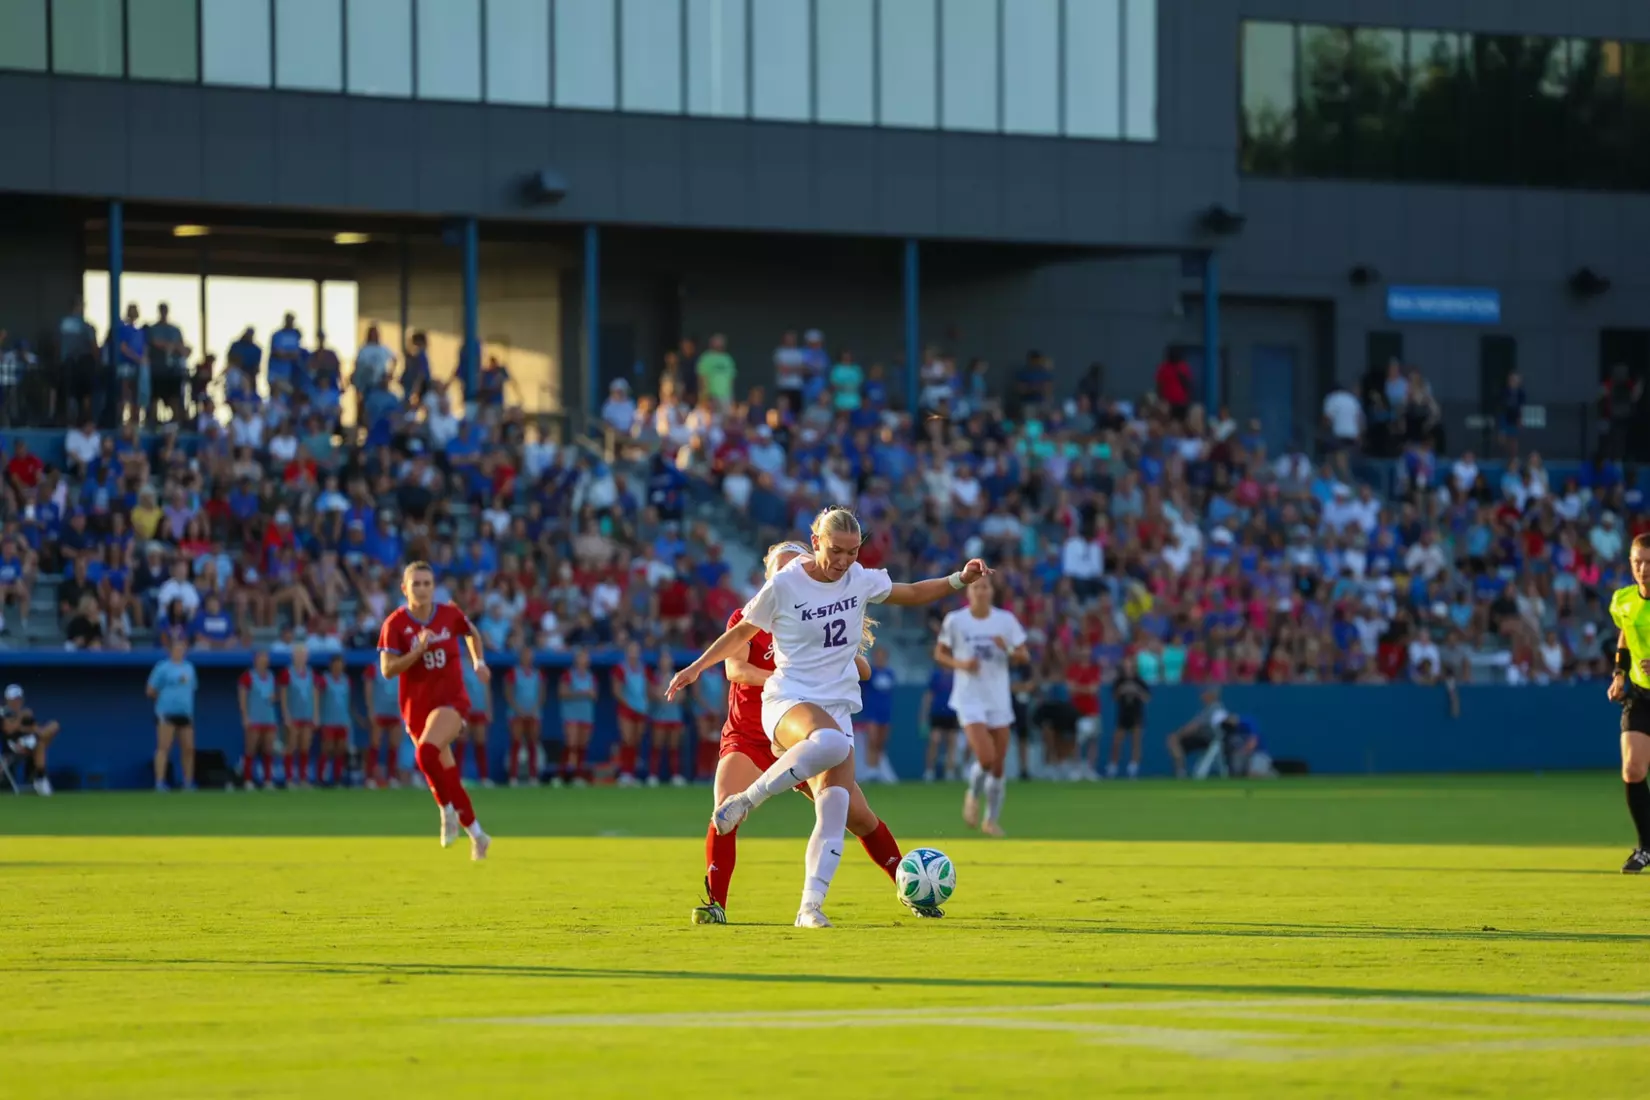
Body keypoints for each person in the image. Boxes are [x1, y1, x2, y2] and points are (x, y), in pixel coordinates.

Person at [667, 508, 991, 927]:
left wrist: (957, 580)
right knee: (816, 753)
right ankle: (720, 890)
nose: (843, 560)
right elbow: (737, 652)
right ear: (815, 543)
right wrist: (695, 667)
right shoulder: (782, 589)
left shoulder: (856, 579)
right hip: (781, 711)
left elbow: (909, 593)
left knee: (842, 811)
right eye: (836, 550)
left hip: (835, 710)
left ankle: (812, 908)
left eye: (852, 552)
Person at [690, 541, 916, 926]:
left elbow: (862, 668)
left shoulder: (810, 617)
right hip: (751, 735)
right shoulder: (749, 617)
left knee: (858, 816)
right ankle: (716, 904)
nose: (789, 573)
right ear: (768, 577)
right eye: (780, 568)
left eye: (795, 566)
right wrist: (788, 677)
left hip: (803, 735)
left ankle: (912, 887)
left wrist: (842, 659)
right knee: (725, 808)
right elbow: (736, 670)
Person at [378, 561, 492, 858]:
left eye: (427, 583)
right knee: (447, 776)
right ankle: (478, 835)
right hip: (417, 708)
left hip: (452, 701)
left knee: (425, 754)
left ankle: (446, 811)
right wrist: (416, 652)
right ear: (404, 589)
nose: (423, 589)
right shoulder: (395, 624)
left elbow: (472, 633)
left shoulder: (448, 614)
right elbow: (387, 669)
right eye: (416, 583)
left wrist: (478, 662)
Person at [934, 579, 1030, 836]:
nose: (981, 591)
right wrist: (961, 665)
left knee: (998, 766)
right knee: (986, 758)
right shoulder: (955, 620)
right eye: (976, 587)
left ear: (992, 591)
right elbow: (940, 653)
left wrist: (1007, 648)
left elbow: (1024, 656)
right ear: (969, 592)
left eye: (986, 586)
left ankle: (990, 820)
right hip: (969, 698)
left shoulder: (1005, 620)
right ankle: (972, 794)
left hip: (998, 698)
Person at [1610, 532, 1650, 873]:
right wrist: (1619, 673)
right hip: (1640, 693)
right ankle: (1645, 848)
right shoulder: (1623, 600)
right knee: (1632, 769)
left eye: (1649, 562)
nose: (1643, 568)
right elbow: (1625, 633)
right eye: (1638, 562)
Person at [146, 637, 198, 792]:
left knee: (188, 748)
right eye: (176, 648)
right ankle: (160, 782)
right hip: (166, 714)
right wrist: (164, 701)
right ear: (170, 650)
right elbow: (150, 690)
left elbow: (192, 689)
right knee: (164, 748)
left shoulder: (190, 668)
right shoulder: (162, 667)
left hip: (185, 714)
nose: (179, 651)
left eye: (182, 648)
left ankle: (188, 782)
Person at [2, 684, 58, 796]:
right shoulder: (3, 712)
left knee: (53, 726)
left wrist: (28, 728)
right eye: (13, 699)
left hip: (28, 743)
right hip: (13, 747)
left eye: (18, 699)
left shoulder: (26, 714)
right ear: (7, 700)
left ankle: (40, 779)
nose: (16, 702)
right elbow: (9, 729)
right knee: (40, 744)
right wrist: (20, 717)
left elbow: (35, 728)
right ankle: (40, 779)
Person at [1166, 686, 1230, 779]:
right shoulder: (1207, 709)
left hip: (1208, 739)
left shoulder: (1215, 708)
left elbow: (1195, 725)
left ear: (1212, 695)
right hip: (1204, 739)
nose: (1202, 696)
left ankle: (1181, 773)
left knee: (1173, 740)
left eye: (1205, 693)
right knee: (1174, 742)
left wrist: (1178, 734)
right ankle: (1180, 771)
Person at [237, 650, 279, 790]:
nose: (264, 661)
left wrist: (275, 697)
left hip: (269, 717)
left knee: (268, 749)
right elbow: (242, 697)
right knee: (251, 749)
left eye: (266, 658)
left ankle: (268, 780)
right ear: (256, 660)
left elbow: (275, 695)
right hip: (254, 717)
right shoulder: (248, 676)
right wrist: (245, 716)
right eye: (261, 658)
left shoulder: (272, 676)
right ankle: (248, 779)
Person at [279, 644, 319, 788]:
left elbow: (314, 695)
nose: (301, 657)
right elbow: (283, 696)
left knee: (304, 747)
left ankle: (303, 779)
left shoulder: (311, 673)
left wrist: (315, 714)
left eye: (303, 655)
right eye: (298, 655)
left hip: (307, 715)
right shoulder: (287, 673)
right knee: (291, 746)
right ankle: (289, 778)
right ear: (293, 656)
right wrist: (286, 715)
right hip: (294, 715)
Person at [503, 647, 543, 786]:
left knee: (532, 743)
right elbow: (508, 693)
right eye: (525, 655)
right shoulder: (513, 673)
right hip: (516, 714)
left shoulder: (537, 674)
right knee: (516, 742)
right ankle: (513, 777)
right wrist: (517, 709)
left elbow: (541, 694)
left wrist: (534, 709)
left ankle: (533, 777)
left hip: (533, 713)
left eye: (530, 655)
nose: (528, 658)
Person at [611, 640, 649, 787]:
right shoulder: (621, 669)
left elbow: (647, 689)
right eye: (632, 650)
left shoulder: (643, 669)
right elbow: (617, 690)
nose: (634, 653)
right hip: (626, 709)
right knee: (627, 739)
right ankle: (624, 773)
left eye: (637, 650)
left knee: (636, 741)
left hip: (641, 709)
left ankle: (631, 773)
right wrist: (630, 704)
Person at [1108, 653, 1151, 780]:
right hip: (1123, 714)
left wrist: (1137, 691)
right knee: (1116, 741)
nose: (1128, 668)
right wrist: (1121, 690)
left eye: (1130, 666)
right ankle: (1113, 767)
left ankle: (1133, 767)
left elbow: (1147, 698)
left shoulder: (1139, 681)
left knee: (1136, 742)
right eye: (1126, 666)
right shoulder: (1119, 681)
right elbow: (1114, 697)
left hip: (1136, 714)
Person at [557, 648, 596, 786]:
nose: (585, 661)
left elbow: (594, 695)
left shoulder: (591, 676)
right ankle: (562, 775)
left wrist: (588, 694)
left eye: (586, 658)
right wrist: (581, 693)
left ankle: (578, 775)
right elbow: (562, 693)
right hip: (571, 714)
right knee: (571, 743)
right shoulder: (568, 675)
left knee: (582, 744)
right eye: (582, 658)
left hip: (586, 714)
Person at [858, 646, 897, 783]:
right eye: (878, 656)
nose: (880, 659)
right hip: (872, 712)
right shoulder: (870, 673)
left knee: (881, 742)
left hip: (885, 712)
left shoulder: (890, 673)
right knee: (872, 740)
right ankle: (870, 769)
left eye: (882, 656)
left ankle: (878, 768)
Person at [649, 650, 686, 787]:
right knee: (657, 745)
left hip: (674, 716)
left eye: (668, 659)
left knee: (674, 746)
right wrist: (666, 695)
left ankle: (675, 774)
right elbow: (654, 693)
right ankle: (653, 775)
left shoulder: (677, 676)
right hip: (659, 715)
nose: (666, 662)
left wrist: (669, 696)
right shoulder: (655, 676)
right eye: (663, 659)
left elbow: (681, 696)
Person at [362, 660, 401, 788]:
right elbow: (368, 689)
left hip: (395, 711)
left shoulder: (400, 666)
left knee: (394, 744)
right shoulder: (374, 668)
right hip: (379, 711)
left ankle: (391, 777)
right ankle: (370, 777)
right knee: (375, 743)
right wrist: (370, 710)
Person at [318, 654, 353, 788]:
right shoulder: (324, 680)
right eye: (336, 664)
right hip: (328, 720)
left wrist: (349, 718)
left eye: (340, 664)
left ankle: (337, 778)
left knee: (340, 749)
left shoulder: (346, 680)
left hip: (342, 720)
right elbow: (318, 698)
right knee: (327, 748)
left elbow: (348, 701)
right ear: (331, 665)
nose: (338, 667)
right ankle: (322, 777)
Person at [921, 663, 960, 782]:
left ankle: (949, 772)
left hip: (952, 713)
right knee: (934, 741)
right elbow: (929, 695)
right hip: (937, 713)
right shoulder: (935, 674)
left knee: (951, 742)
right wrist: (924, 715)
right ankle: (929, 771)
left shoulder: (957, 675)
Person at [459, 651, 493, 787]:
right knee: (462, 741)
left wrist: (489, 710)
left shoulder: (482, 666)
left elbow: (487, 689)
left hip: (480, 709)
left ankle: (483, 777)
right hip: (465, 710)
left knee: (480, 742)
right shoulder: (460, 664)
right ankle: (457, 777)